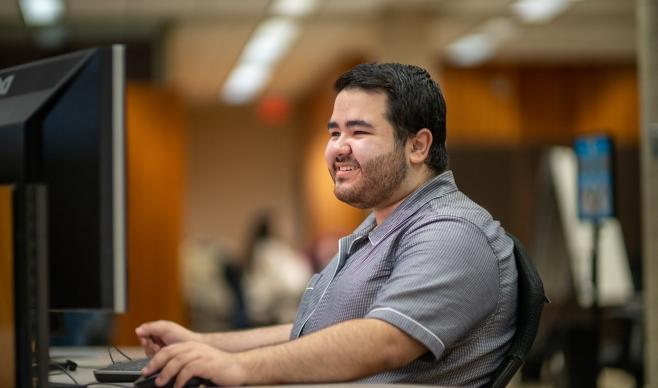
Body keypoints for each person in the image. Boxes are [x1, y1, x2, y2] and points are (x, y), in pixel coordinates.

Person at [135, 63, 518, 387]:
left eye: (359, 131)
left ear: (417, 146)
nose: (338, 147)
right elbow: (312, 333)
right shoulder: (383, 226)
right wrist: (207, 344)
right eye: (335, 132)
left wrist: (241, 369)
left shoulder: (452, 232)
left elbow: (385, 341)